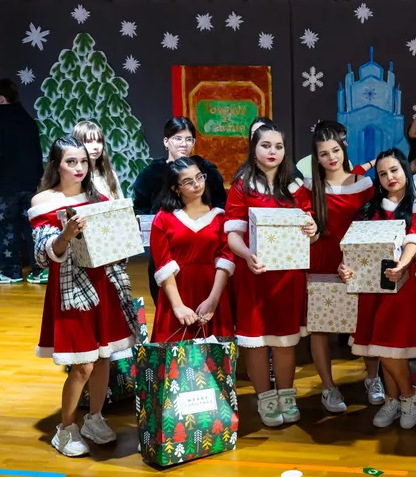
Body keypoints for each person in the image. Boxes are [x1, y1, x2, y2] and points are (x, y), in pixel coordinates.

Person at [29, 136, 138, 457]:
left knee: (104, 357)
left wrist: (125, 229)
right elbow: (43, 254)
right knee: (82, 365)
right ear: (56, 165)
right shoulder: (43, 201)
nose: (79, 168)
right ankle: (65, 429)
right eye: (70, 162)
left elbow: (115, 244)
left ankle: (95, 418)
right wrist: (65, 234)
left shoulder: (97, 197)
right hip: (71, 290)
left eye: (83, 162)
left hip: (103, 283)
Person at [225, 122, 318, 427]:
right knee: (256, 341)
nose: (272, 151)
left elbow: (310, 229)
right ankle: (265, 398)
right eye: (266, 145)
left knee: (284, 341)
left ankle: (287, 397)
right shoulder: (242, 186)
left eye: (278, 146)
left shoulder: (295, 187)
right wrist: (246, 255)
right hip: (254, 275)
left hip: (287, 277)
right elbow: (233, 234)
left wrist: (312, 228)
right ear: (254, 149)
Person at [339, 149, 416, 429]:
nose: (389, 177)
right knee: (380, 347)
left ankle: (409, 395)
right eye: (382, 173)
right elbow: (354, 246)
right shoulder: (369, 209)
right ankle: (394, 398)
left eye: (394, 170)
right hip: (370, 287)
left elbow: (415, 237)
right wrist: (344, 267)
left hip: (404, 284)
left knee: (392, 346)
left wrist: (402, 265)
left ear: (406, 170)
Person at [299, 124, 378, 414]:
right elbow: (304, 225)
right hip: (321, 262)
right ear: (316, 157)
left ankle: (373, 379)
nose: (331, 157)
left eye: (335, 150)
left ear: (343, 149)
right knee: (320, 329)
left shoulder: (364, 184)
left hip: (358, 265)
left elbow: (373, 226)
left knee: (365, 325)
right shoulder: (308, 187)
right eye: (324, 154)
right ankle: (328, 387)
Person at [133, 117, 227, 303]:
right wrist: (140, 218)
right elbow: (139, 206)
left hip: (202, 249)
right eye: (178, 138)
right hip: (165, 246)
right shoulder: (152, 172)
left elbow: (221, 204)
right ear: (166, 141)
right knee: (165, 300)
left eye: (189, 139)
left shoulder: (206, 170)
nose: (184, 144)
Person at [150, 157, 235, 342]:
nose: (197, 184)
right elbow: (163, 265)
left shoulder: (220, 217)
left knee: (215, 355)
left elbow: (225, 260)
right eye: (188, 181)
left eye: (199, 177)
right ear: (175, 188)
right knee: (173, 355)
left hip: (212, 292)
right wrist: (178, 306)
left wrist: (213, 301)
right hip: (177, 293)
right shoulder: (163, 218)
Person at [0, 79, 44, 284]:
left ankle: (12, 271)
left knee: (8, 229)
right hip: (29, 184)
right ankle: (38, 270)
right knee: (31, 227)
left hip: (5, 185)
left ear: (1, 98)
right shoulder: (28, 120)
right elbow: (37, 153)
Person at [73, 120, 123, 200]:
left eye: (99, 141)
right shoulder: (73, 176)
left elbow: (121, 203)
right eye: (89, 141)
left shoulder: (110, 174)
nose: (96, 146)